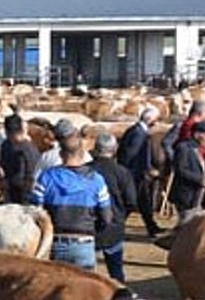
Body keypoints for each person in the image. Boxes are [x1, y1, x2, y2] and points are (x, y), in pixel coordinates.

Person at [31, 128, 113, 271]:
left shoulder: (46, 178)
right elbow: (106, 217)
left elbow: (35, 212)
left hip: (54, 243)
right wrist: (93, 229)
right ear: (82, 153)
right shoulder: (97, 180)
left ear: (60, 154)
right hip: (84, 243)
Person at [88, 133, 137, 283]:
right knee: (116, 271)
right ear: (115, 149)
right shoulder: (122, 172)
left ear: (95, 149)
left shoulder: (85, 171)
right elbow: (131, 201)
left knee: (87, 274)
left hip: (88, 225)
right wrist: (121, 216)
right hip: (114, 227)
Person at [119, 106, 163, 237]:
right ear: (150, 119)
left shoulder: (136, 130)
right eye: (156, 119)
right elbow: (131, 155)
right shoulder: (138, 133)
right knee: (131, 203)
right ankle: (117, 226)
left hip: (137, 174)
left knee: (143, 202)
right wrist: (144, 170)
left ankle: (152, 227)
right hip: (135, 174)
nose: (157, 122)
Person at [170, 122, 205, 220]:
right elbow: (181, 169)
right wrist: (200, 180)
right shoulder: (183, 148)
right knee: (186, 221)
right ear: (197, 134)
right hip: (185, 193)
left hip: (196, 194)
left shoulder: (198, 149)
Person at [0, 114, 38, 204]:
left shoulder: (28, 150)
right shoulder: (6, 145)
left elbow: (32, 175)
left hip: (26, 194)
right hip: (11, 192)